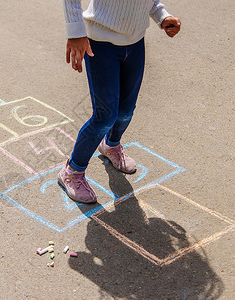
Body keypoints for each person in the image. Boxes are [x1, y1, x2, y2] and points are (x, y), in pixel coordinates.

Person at [58, 0, 181, 203]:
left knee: (126, 110)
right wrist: (75, 32)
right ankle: (72, 171)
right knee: (105, 116)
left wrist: (162, 15)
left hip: (135, 43)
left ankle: (111, 145)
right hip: (100, 43)